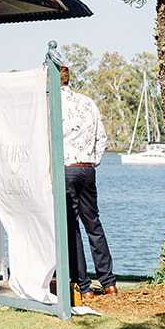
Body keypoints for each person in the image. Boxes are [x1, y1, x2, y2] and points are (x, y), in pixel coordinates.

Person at [60, 63, 117, 299]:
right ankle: (109, 281)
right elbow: (101, 137)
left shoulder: (50, 105)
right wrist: (93, 161)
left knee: (71, 228)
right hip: (87, 168)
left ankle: (83, 286)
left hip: (65, 169)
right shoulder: (87, 102)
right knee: (93, 223)